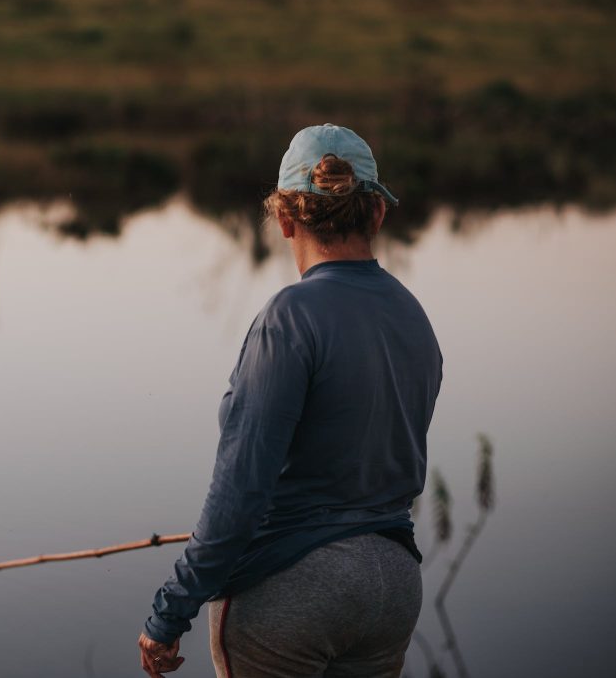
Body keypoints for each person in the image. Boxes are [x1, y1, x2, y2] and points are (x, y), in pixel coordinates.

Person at [137, 124, 443, 678]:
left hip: (291, 592)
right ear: (376, 214)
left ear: (284, 219)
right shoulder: (413, 317)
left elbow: (241, 491)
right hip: (394, 589)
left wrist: (169, 612)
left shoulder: (289, 319)